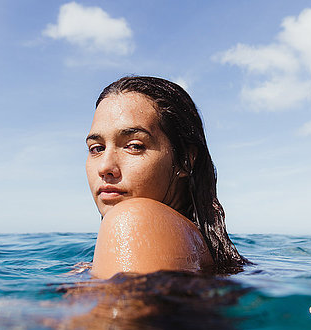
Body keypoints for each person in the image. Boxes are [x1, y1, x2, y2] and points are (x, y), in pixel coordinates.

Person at [86, 76, 247, 279]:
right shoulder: (201, 249)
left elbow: (118, 310)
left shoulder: (133, 219)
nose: (105, 167)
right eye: (97, 148)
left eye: (134, 146)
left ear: (185, 160)